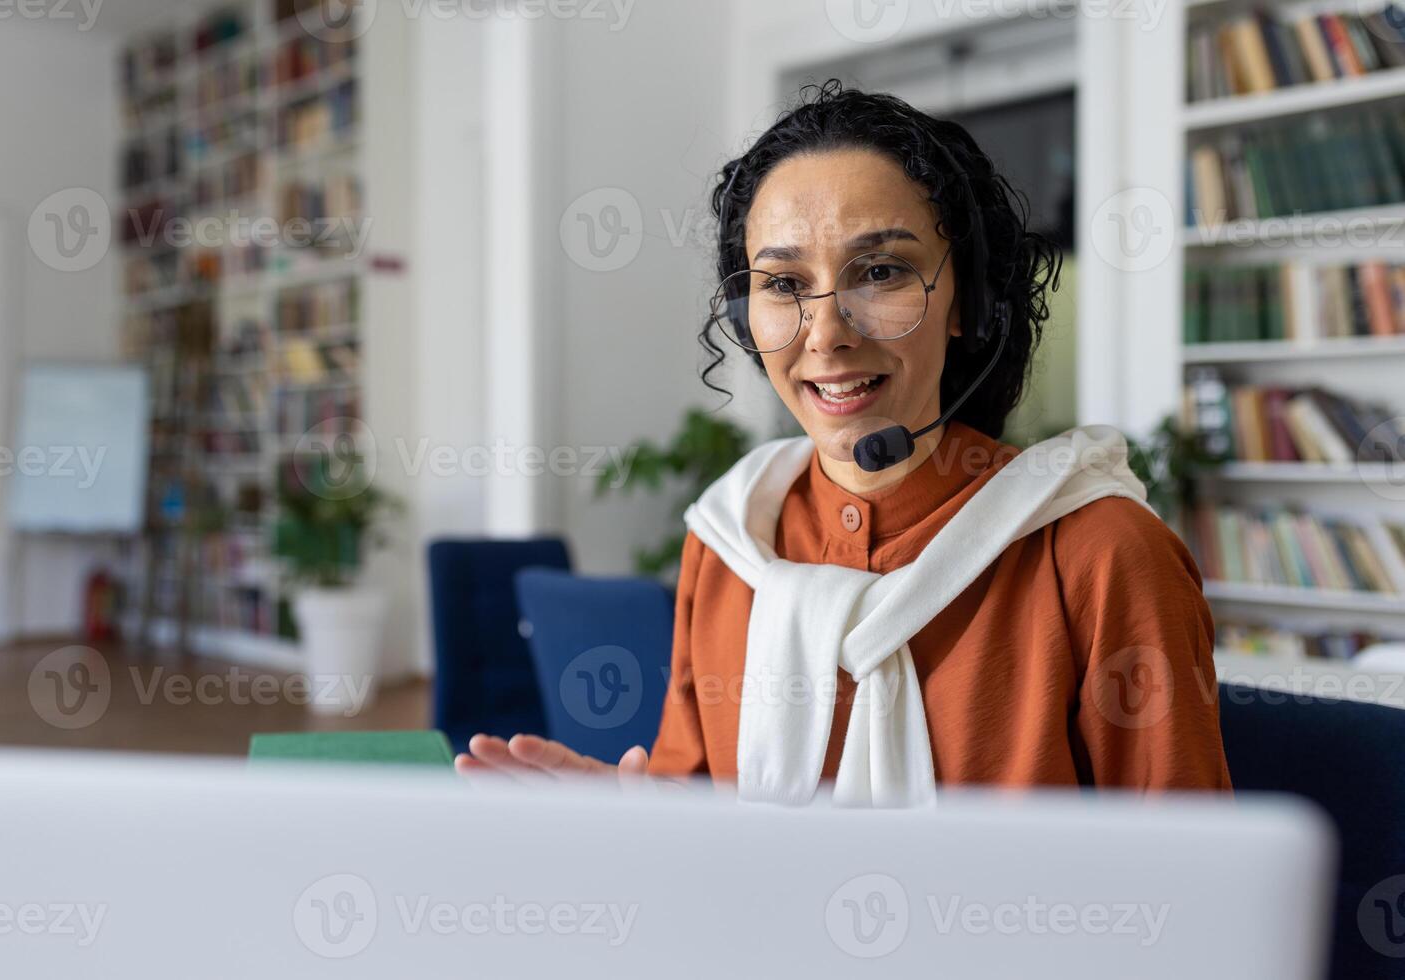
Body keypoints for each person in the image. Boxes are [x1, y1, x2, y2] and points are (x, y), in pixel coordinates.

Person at [455, 81, 1231, 799]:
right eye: (783, 284)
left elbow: (1193, 898)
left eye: (882, 271)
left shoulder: (1101, 553)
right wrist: (629, 820)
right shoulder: (730, 540)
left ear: (969, 299)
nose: (825, 334)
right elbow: (694, 806)